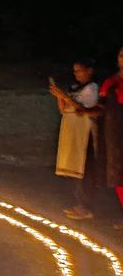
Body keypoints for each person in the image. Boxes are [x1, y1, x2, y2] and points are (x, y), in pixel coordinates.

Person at [50, 60, 100, 220]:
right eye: (74, 71)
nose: (76, 74)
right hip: (71, 131)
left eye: (79, 70)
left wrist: (64, 96)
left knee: (84, 168)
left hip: (84, 133)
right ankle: (79, 203)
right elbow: (64, 109)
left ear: (89, 70)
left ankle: (86, 207)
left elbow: (83, 109)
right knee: (71, 167)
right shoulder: (74, 88)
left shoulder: (92, 88)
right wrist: (59, 97)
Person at [99, 47, 123, 229]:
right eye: (122, 55)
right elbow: (101, 106)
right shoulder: (110, 82)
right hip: (115, 133)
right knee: (118, 174)